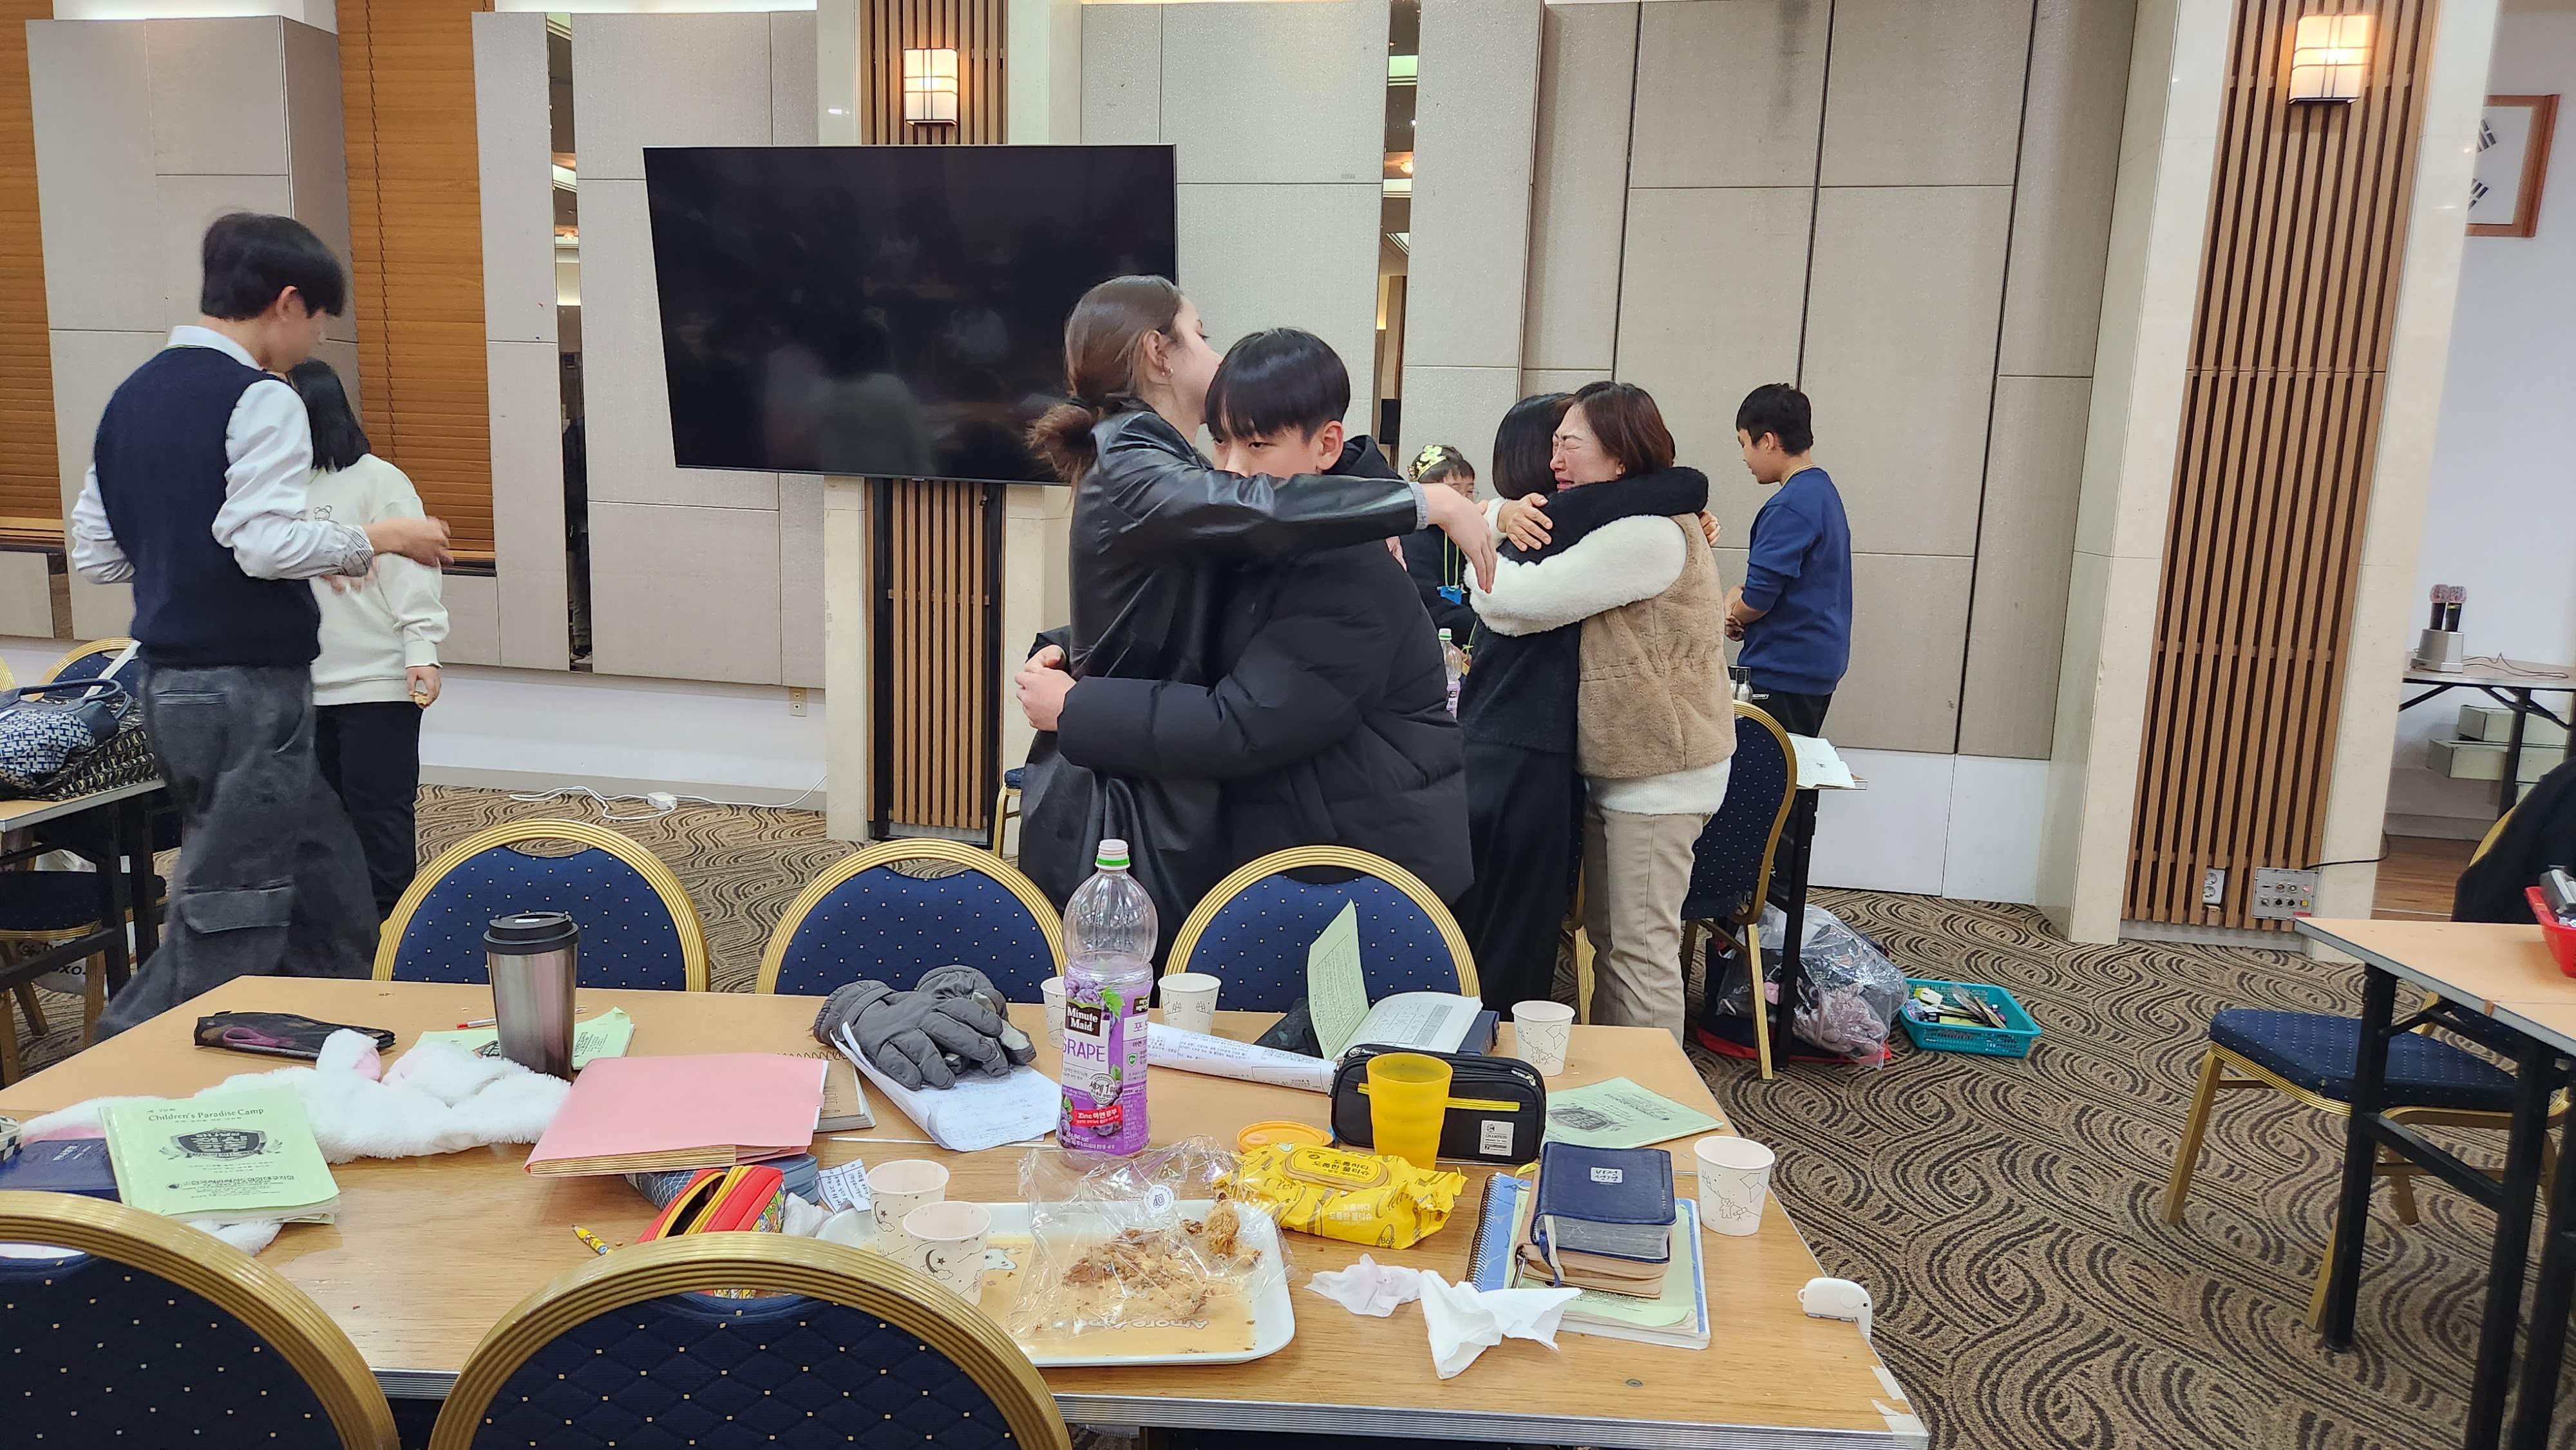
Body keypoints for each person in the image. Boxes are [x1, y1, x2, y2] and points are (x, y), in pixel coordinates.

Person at [1012, 276, 1496, 933]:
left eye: (1257, 445)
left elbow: (1237, 724)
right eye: (1220, 442)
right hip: (1300, 862)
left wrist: (1078, 705)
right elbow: (1193, 609)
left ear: (1326, 446)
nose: (1233, 469)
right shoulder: (1187, 490)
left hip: (1359, 887)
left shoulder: (1341, 568)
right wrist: (1073, 650)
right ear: (1157, 354)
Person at [70, 213, 453, 1036]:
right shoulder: (262, 395)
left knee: (334, 900)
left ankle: (330, 1053)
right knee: (230, 918)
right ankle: (116, 1068)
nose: (319, 340)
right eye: (319, 319)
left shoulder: (132, 396)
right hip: (245, 689)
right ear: (286, 302)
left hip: (170, 688)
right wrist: (381, 537)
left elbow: (97, 552)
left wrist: (194, 557)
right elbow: (264, 544)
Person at [1471, 382, 1730, 1041]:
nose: (1555, 459)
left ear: (1619, 457)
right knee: (1617, 944)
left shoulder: (1646, 534)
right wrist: (1499, 512)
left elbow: (1512, 600)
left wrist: (1481, 538)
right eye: (1553, 443)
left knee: (1640, 954)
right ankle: (1628, 1081)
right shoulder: (1637, 518)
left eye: (1570, 444)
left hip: (1659, 773)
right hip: (1629, 765)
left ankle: (1655, 1094)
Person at [289, 358, 449, 921]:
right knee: (317, 825)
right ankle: (335, 936)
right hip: (297, 685)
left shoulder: (378, 479)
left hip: (375, 680)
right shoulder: (267, 491)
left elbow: (414, 571)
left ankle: (392, 938)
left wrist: (422, 649)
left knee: (379, 815)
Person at [1726, 384, 1850, 737]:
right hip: (1813, 665)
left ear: (1767, 441)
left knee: (1771, 771)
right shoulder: (1822, 492)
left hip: (1782, 671)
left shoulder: (1789, 506)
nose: (1744, 458)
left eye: (1743, 444)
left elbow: (1759, 600)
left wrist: (1731, 610)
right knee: (1797, 764)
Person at [1400, 443, 1481, 644]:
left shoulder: (1470, 531)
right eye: (1454, 492)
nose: (1464, 500)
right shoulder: (1411, 537)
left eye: (1470, 491)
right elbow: (1424, 601)